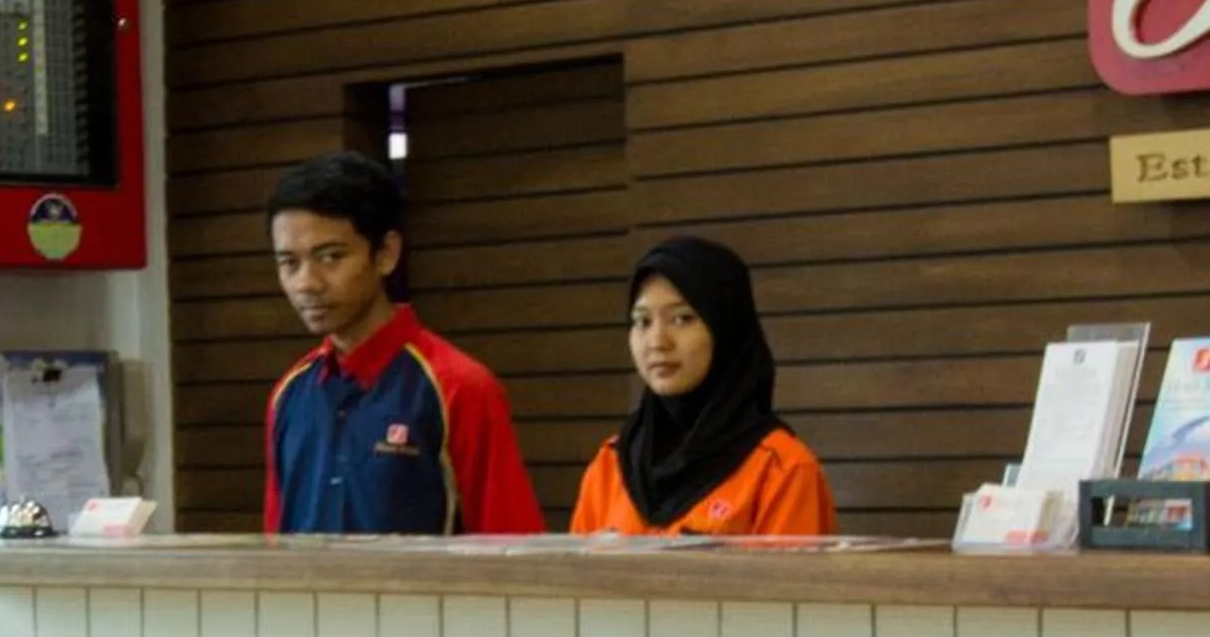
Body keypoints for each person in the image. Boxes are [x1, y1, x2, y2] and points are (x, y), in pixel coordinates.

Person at [261, 151, 544, 535]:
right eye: (288, 263)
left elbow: (514, 548)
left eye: (330, 257)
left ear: (386, 253)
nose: (305, 283)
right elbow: (276, 547)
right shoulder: (288, 394)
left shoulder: (459, 388)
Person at [570, 237, 835, 537]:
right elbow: (575, 581)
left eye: (682, 319)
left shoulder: (780, 469)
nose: (658, 341)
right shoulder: (611, 464)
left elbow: (791, 585)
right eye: (642, 321)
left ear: (726, 328)